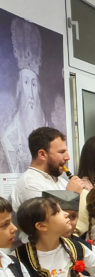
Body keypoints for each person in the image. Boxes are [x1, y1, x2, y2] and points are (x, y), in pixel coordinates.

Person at [0, 19, 51, 174]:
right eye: (26, 83)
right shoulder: (10, 136)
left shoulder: (46, 125)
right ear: (19, 89)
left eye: (34, 84)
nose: (31, 94)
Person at [10, 128, 71, 242]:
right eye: (61, 152)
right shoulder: (29, 184)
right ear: (42, 154)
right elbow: (52, 223)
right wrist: (72, 194)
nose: (68, 157)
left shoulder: (60, 180)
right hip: (38, 249)